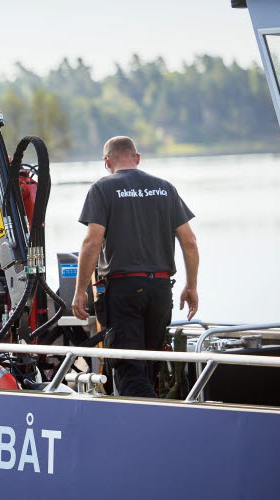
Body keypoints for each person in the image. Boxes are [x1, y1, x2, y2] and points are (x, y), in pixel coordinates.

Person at [72, 136, 200, 398]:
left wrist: (80, 291)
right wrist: (192, 286)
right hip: (161, 290)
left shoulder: (102, 188)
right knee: (149, 364)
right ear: (137, 158)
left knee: (129, 368)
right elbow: (189, 241)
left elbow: (91, 243)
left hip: (124, 290)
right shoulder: (165, 188)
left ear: (106, 162)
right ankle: (159, 422)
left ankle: (146, 425)